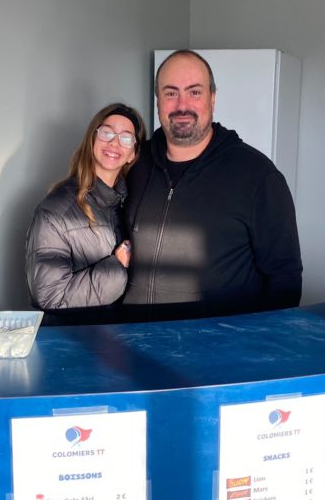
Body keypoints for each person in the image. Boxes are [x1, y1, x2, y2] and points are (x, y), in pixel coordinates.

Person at [122, 50, 302, 320]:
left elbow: (284, 279)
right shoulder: (133, 164)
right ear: (158, 101)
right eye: (171, 93)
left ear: (212, 99)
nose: (182, 105)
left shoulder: (258, 176)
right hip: (137, 345)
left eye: (194, 92)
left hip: (219, 353)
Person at [25, 103, 145, 318]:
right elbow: (50, 297)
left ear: (132, 154)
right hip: (76, 341)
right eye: (107, 132)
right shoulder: (56, 210)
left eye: (126, 137)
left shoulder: (132, 204)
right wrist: (116, 267)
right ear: (92, 140)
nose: (114, 142)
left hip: (120, 339)